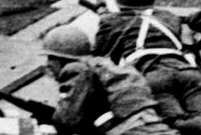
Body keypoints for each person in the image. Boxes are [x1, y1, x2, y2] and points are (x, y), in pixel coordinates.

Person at [95, 0, 201, 135]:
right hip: (188, 72)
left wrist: (106, 14)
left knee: (174, 124)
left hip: (152, 76)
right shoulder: (169, 17)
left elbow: (101, 53)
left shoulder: (110, 21)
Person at [42, 24, 177, 134]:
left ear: (61, 58)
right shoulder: (103, 65)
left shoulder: (76, 69)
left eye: (50, 58)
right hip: (152, 125)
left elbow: (67, 119)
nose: (48, 64)